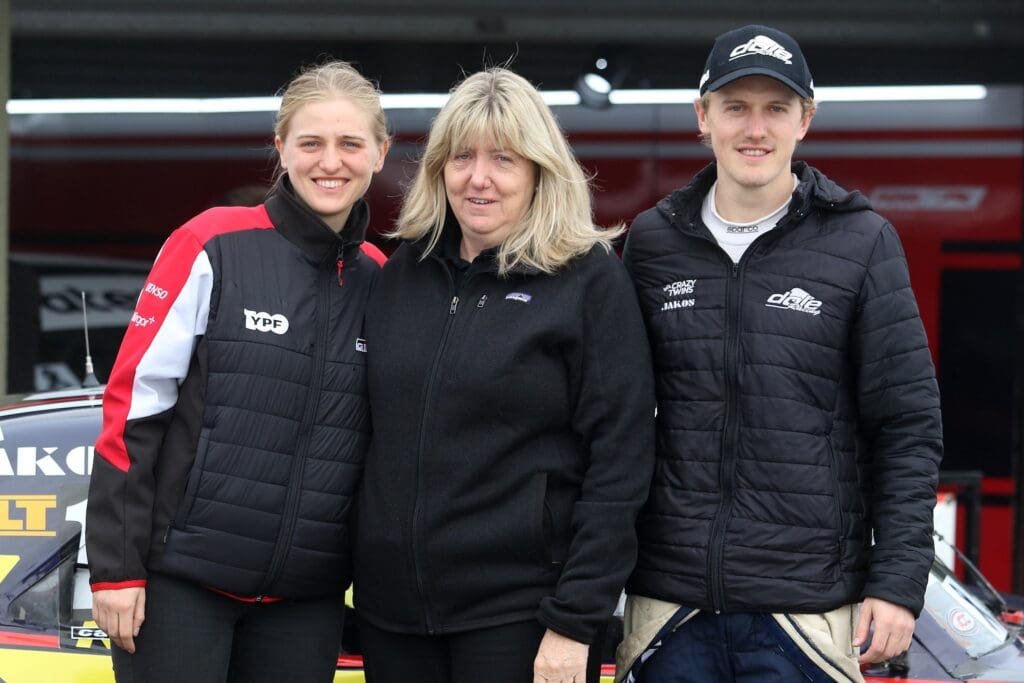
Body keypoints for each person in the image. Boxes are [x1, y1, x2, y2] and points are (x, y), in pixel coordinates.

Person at [617, 25, 943, 683]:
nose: (755, 127)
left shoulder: (862, 242)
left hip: (808, 618)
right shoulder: (651, 244)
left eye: (776, 107)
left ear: (806, 120)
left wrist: (899, 582)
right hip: (669, 610)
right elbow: (610, 418)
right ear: (703, 117)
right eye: (736, 106)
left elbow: (907, 427)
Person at [85, 60, 390, 682]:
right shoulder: (210, 243)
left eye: (350, 143)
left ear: (380, 153)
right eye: (310, 143)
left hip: (305, 601)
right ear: (281, 149)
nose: (330, 161)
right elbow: (133, 411)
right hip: (181, 587)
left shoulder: (381, 277)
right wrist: (116, 569)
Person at [353, 67, 656, 683]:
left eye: (504, 160)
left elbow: (621, 463)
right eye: (461, 156)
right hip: (391, 618)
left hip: (522, 617)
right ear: (438, 167)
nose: (478, 178)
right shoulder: (399, 275)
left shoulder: (589, 281)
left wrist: (575, 620)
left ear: (540, 171)